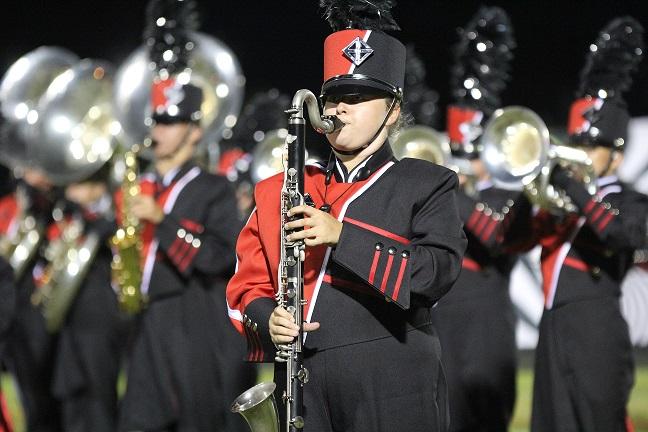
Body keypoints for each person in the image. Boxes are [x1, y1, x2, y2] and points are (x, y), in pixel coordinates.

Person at [226, 1, 466, 431]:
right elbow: (248, 286)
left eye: (357, 98)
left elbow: (436, 273)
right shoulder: (278, 189)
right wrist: (270, 320)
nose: (340, 109)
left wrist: (342, 236)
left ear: (392, 111)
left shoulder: (427, 182)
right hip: (302, 384)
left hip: (394, 379)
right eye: (333, 97)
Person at [502, 17, 647, 432]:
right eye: (579, 141)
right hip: (553, 325)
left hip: (596, 326)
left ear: (616, 156)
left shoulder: (631, 201)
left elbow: (619, 234)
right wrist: (528, 191)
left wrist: (577, 190)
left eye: (593, 144)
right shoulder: (561, 201)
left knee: (599, 421)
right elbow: (510, 241)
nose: (582, 149)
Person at [118, 1, 252, 430]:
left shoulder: (213, 188)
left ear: (194, 131)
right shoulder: (144, 184)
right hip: (147, 318)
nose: (158, 129)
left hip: (192, 318)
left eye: (171, 121)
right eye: (156, 119)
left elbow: (218, 256)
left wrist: (162, 218)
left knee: (195, 420)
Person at [430, 7, 519, 431]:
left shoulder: (508, 193)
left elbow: (494, 237)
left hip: (487, 321)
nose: (464, 163)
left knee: (486, 415)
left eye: (471, 153)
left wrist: (452, 188)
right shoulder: (443, 194)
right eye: (459, 153)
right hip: (442, 317)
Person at [48, 164, 127, 432]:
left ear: (96, 186)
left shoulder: (115, 215)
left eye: (76, 184)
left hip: (101, 321)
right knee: (71, 393)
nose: (69, 191)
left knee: (98, 397)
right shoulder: (72, 216)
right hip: (71, 321)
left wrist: (100, 230)